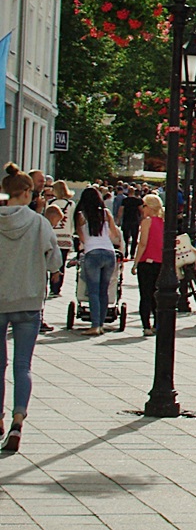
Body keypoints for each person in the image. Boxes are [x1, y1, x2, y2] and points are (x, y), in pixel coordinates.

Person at [0, 170, 62, 451]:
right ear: (27, 193)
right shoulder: (39, 223)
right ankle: (17, 420)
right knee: (22, 365)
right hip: (29, 300)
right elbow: (54, 261)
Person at [75, 187, 123, 336]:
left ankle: (95, 325)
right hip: (109, 252)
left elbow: (81, 236)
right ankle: (101, 324)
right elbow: (115, 232)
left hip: (92, 252)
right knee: (104, 290)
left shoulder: (81, 215)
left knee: (93, 291)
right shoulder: (106, 213)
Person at [134, 194, 165, 335]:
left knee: (145, 295)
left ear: (150, 207)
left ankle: (146, 326)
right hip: (160, 262)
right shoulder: (164, 222)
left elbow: (143, 243)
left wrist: (135, 263)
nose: (142, 208)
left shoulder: (147, 221)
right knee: (156, 295)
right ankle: (157, 325)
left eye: (144, 205)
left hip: (146, 261)